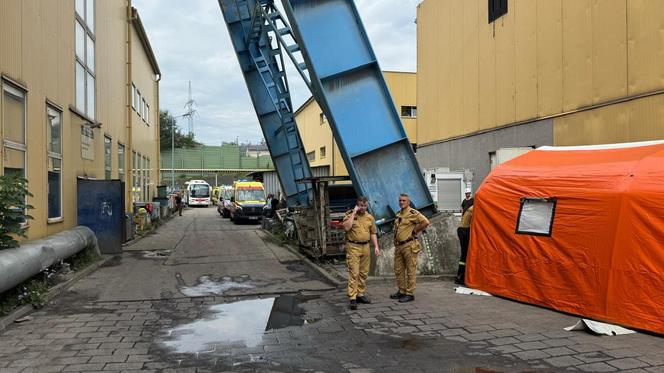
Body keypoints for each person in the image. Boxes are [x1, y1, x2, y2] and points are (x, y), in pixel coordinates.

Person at [342, 196, 380, 310]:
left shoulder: (370, 218)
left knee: (363, 272)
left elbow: (373, 233)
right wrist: (354, 213)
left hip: (366, 247)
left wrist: (376, 247)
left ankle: (360, 294)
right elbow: (346, 228)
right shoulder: (349, 215)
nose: (363, 208)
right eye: (360, 205)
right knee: (354, 272)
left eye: (365, 205)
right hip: (353, 246)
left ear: (367, 205)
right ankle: (352, 297)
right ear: (357, 205)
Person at [390, 193, 430, 303]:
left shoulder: (413, 213)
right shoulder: (398, 214)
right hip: (399, 246)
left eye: (404, 200)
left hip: (409, 245)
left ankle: (410, 293)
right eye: (400, 200)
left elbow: (425, 222)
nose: (401, 202)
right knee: (399, 270)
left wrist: (415, 230)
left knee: (410, 270)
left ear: (408, 202)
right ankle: (401, 291)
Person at [456, 205, 474, 285]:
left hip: (462, 230)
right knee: (465, 254)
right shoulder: (475, 208)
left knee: (465, 253)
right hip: (464, 231)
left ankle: (461, 275)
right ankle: (460, 276)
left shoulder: (471, 208)